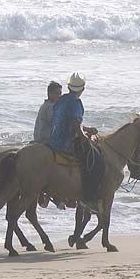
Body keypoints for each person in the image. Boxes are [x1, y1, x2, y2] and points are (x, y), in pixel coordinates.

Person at [48, 72, 103, 209]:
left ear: (68, 86)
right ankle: (88, 198)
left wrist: (85, 129)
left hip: (53, 140)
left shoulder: (62, 99)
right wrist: (84, 137)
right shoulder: (76, 102)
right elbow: (74, 125)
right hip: (66, 143)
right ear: (82, 89)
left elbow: (67, 122)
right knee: (97, 162)